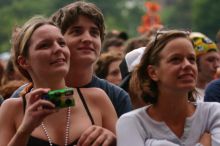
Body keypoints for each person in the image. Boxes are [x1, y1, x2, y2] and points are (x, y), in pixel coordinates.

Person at [0, 16, 117, 146]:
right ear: (23, 61)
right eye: (44, 45)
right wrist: (24, 130)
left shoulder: (97, 98)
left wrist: (113, 139)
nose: (58, 49)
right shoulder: (12, 109)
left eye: (62, 43)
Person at [11, 1, 132, 117]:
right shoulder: (24, 96)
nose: (87, 39)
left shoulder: (116, 97)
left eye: (94, 33)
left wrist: (111, 137)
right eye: (77, 32)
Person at [116, 30, 220, 146]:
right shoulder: (132, 122)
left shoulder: (214, 113)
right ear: (153, 72)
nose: (187, 65)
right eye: (175, 59)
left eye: (191, 59)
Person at [190, 32, 220, 102]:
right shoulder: (186, 95)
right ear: (195, 63)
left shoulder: (217, 91)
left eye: (218, 60)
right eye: (210, 60)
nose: (217, 65)